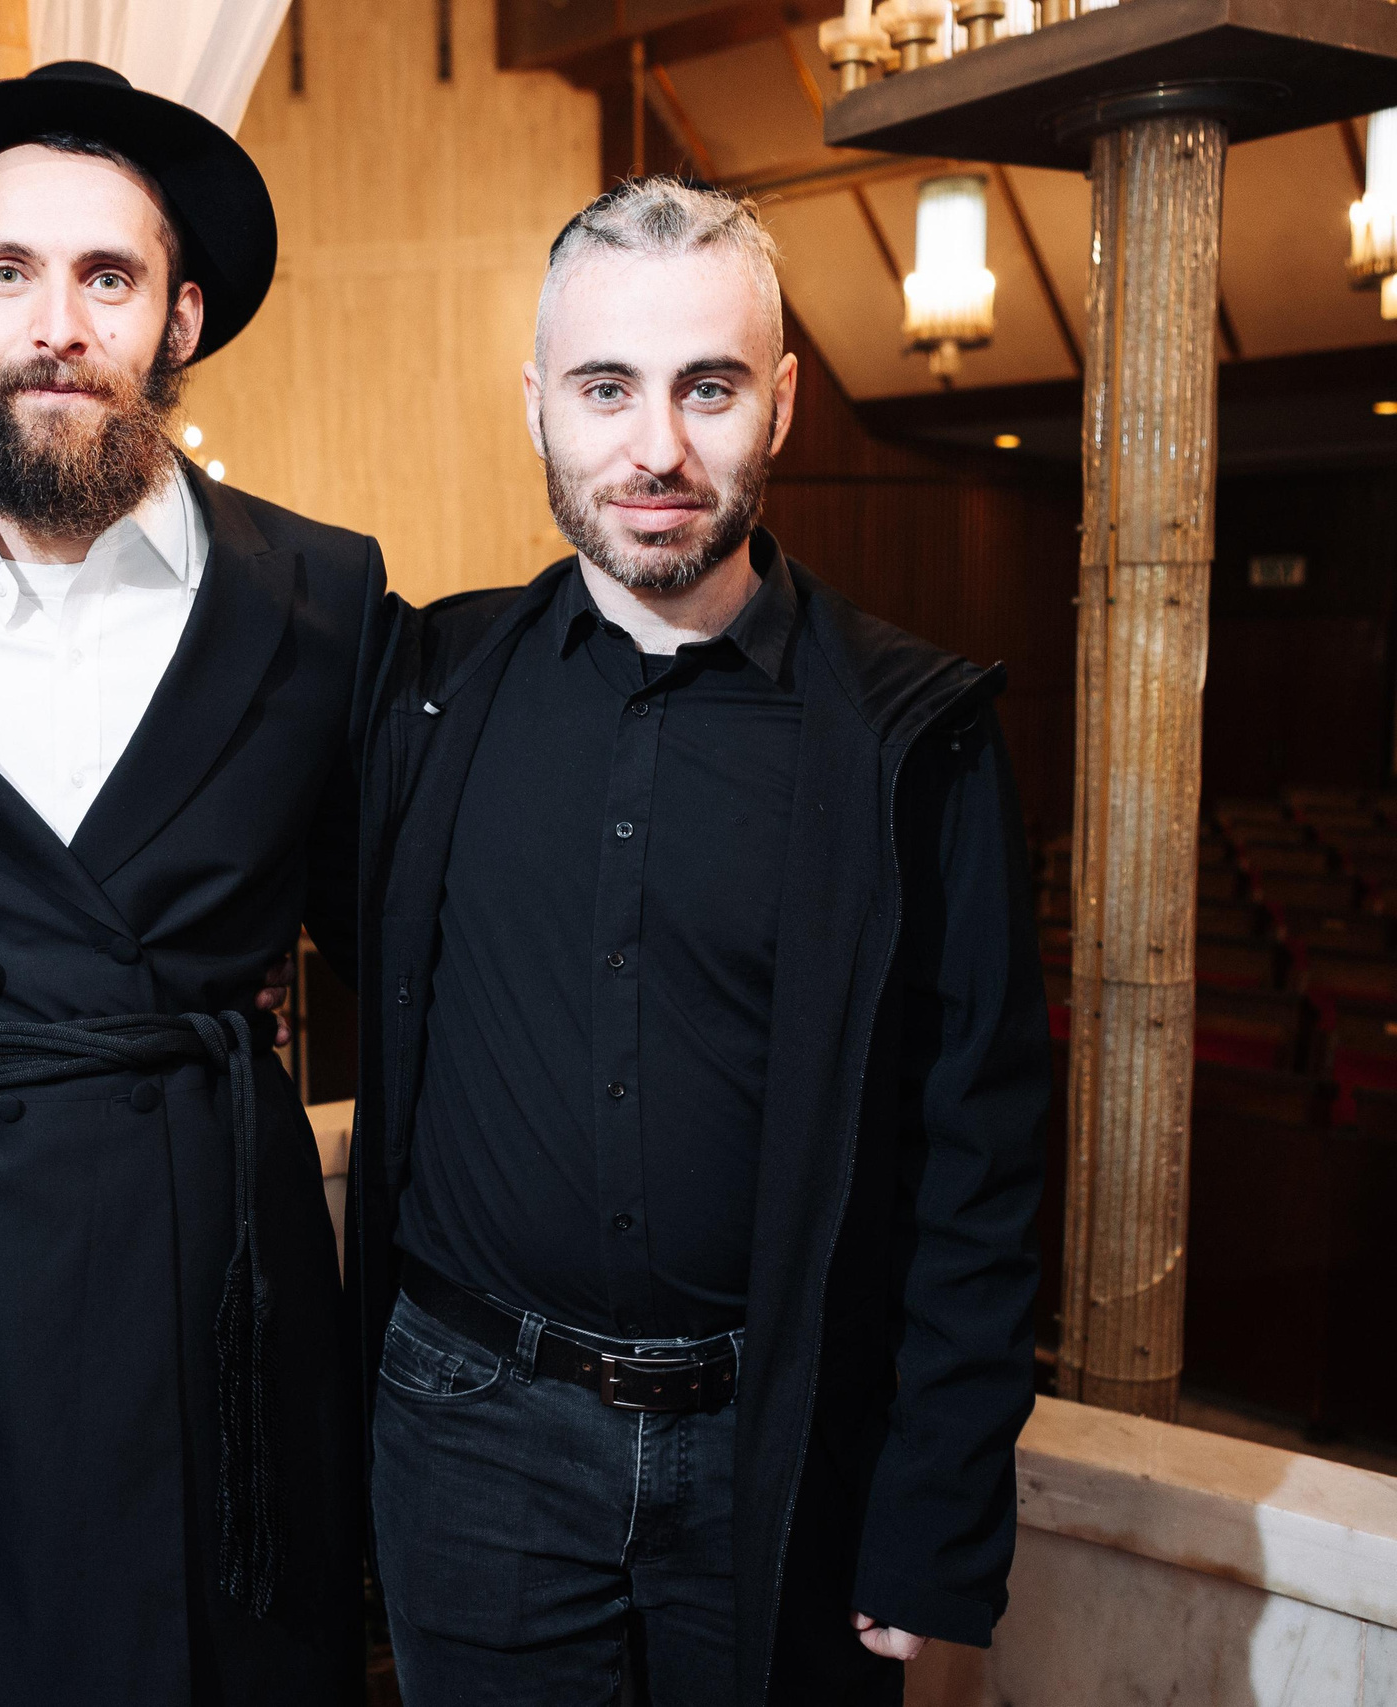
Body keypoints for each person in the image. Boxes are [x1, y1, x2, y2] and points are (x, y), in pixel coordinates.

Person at [352, 177, 1049, 1706]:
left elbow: (980, 1159)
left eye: (708, 387)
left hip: (779, 1447)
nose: (656, 447)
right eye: (607, 387)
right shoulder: (429, 688)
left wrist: (936, 1517)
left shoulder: (910, 735)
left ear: (782, 403)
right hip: (472, 1439)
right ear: (538, 401)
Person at [0, 61, 378, 1707]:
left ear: (179, 318)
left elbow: (401, 946)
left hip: (221, 1259)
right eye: (11, 272)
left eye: (107, 276)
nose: (57, 322)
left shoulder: (324, 596)